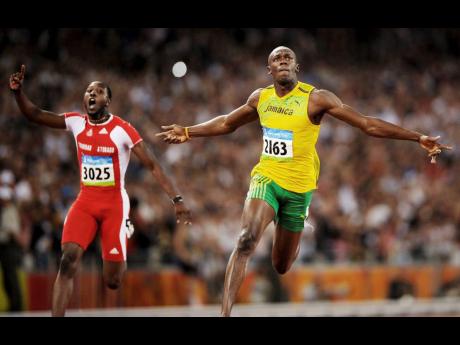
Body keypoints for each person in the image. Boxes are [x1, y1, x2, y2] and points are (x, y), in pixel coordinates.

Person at [156, 46, 453, 316]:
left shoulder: (316, 99)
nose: (283, 60)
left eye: (288, 58)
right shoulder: (261, 98)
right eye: (276, 58)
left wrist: (416, 137)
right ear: (268, 69)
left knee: (281, 266)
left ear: (296, 67)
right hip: (267, 178)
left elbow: (366, 124)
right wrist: (188, 131)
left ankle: (295, 229)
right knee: (246, 239)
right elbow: (225, 123)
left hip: (299, 189)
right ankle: (224, 314)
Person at [9, 65, 192, 316]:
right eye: (88, 91)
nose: (91, 94)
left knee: (112, 281)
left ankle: (122, 232)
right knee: (67, 260)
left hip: (114, 204)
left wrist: (177, 199)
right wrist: (18, 93)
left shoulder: (123, 129)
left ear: (108, 100)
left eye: (98, 91)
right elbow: (36, 114)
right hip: (85, 201)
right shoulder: (76, 123)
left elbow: (152, 165)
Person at [0, 185, 23, 311]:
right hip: (6, 248)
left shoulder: (10, 210)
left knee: (11, 278)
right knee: (7, 278)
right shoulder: (6, 210)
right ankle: (14, 305)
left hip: (10, 247)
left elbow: (12, 232)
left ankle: (16, 306)